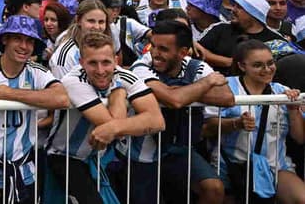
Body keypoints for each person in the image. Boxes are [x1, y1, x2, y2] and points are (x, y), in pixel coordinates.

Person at [111, 20, 232, 204]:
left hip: (179, 148)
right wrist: (204, 85)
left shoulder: (196, 66)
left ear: (183, 52)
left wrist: (182, 92)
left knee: (214, 189)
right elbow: (175, 100)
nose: (155, 54)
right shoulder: (141, 67)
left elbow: (226, 98)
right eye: (154, 46)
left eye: (163, 49)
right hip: (141, 153)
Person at [46, 31, 165, 204]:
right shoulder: (73, 80)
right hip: (64, 157)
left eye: (106, 62)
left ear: (116, 61)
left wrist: (115, 125)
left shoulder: (124, 76)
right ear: (81, 63)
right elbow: (109, 124)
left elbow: (156, 121)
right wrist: (118, 94)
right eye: (92, 63)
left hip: (98, 158)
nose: (100, 70)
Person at [0, 16, 68, 204]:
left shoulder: (36, 72)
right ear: (5, 40)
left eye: (29, 41)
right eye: (18, 39)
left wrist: (11, 93)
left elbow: (61, 98)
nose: (24, 46)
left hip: (25, 171)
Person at [203, 40, 305, 204]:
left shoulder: (282, 91)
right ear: (242, 66)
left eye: (270, 63)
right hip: (230, 167)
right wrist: (236, 123)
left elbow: (299, 138)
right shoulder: (224, 87)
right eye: (258, 65)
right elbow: (206, 128)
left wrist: (293, 111)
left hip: (276, 167)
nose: (267, 69)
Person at [197, 0, 282, 73]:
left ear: (254, 14)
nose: (233, 10)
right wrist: (228, 62)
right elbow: (196, 50)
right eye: (234, 6)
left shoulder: (276, 41)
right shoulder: (220, 28)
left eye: (239, 7)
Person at [49, 0, 110, 79]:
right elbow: (63, 90)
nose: (97, 27)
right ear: (78, 20)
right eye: (91, 21)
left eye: (101, 22)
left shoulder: (106, 47)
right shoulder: (65, 57)